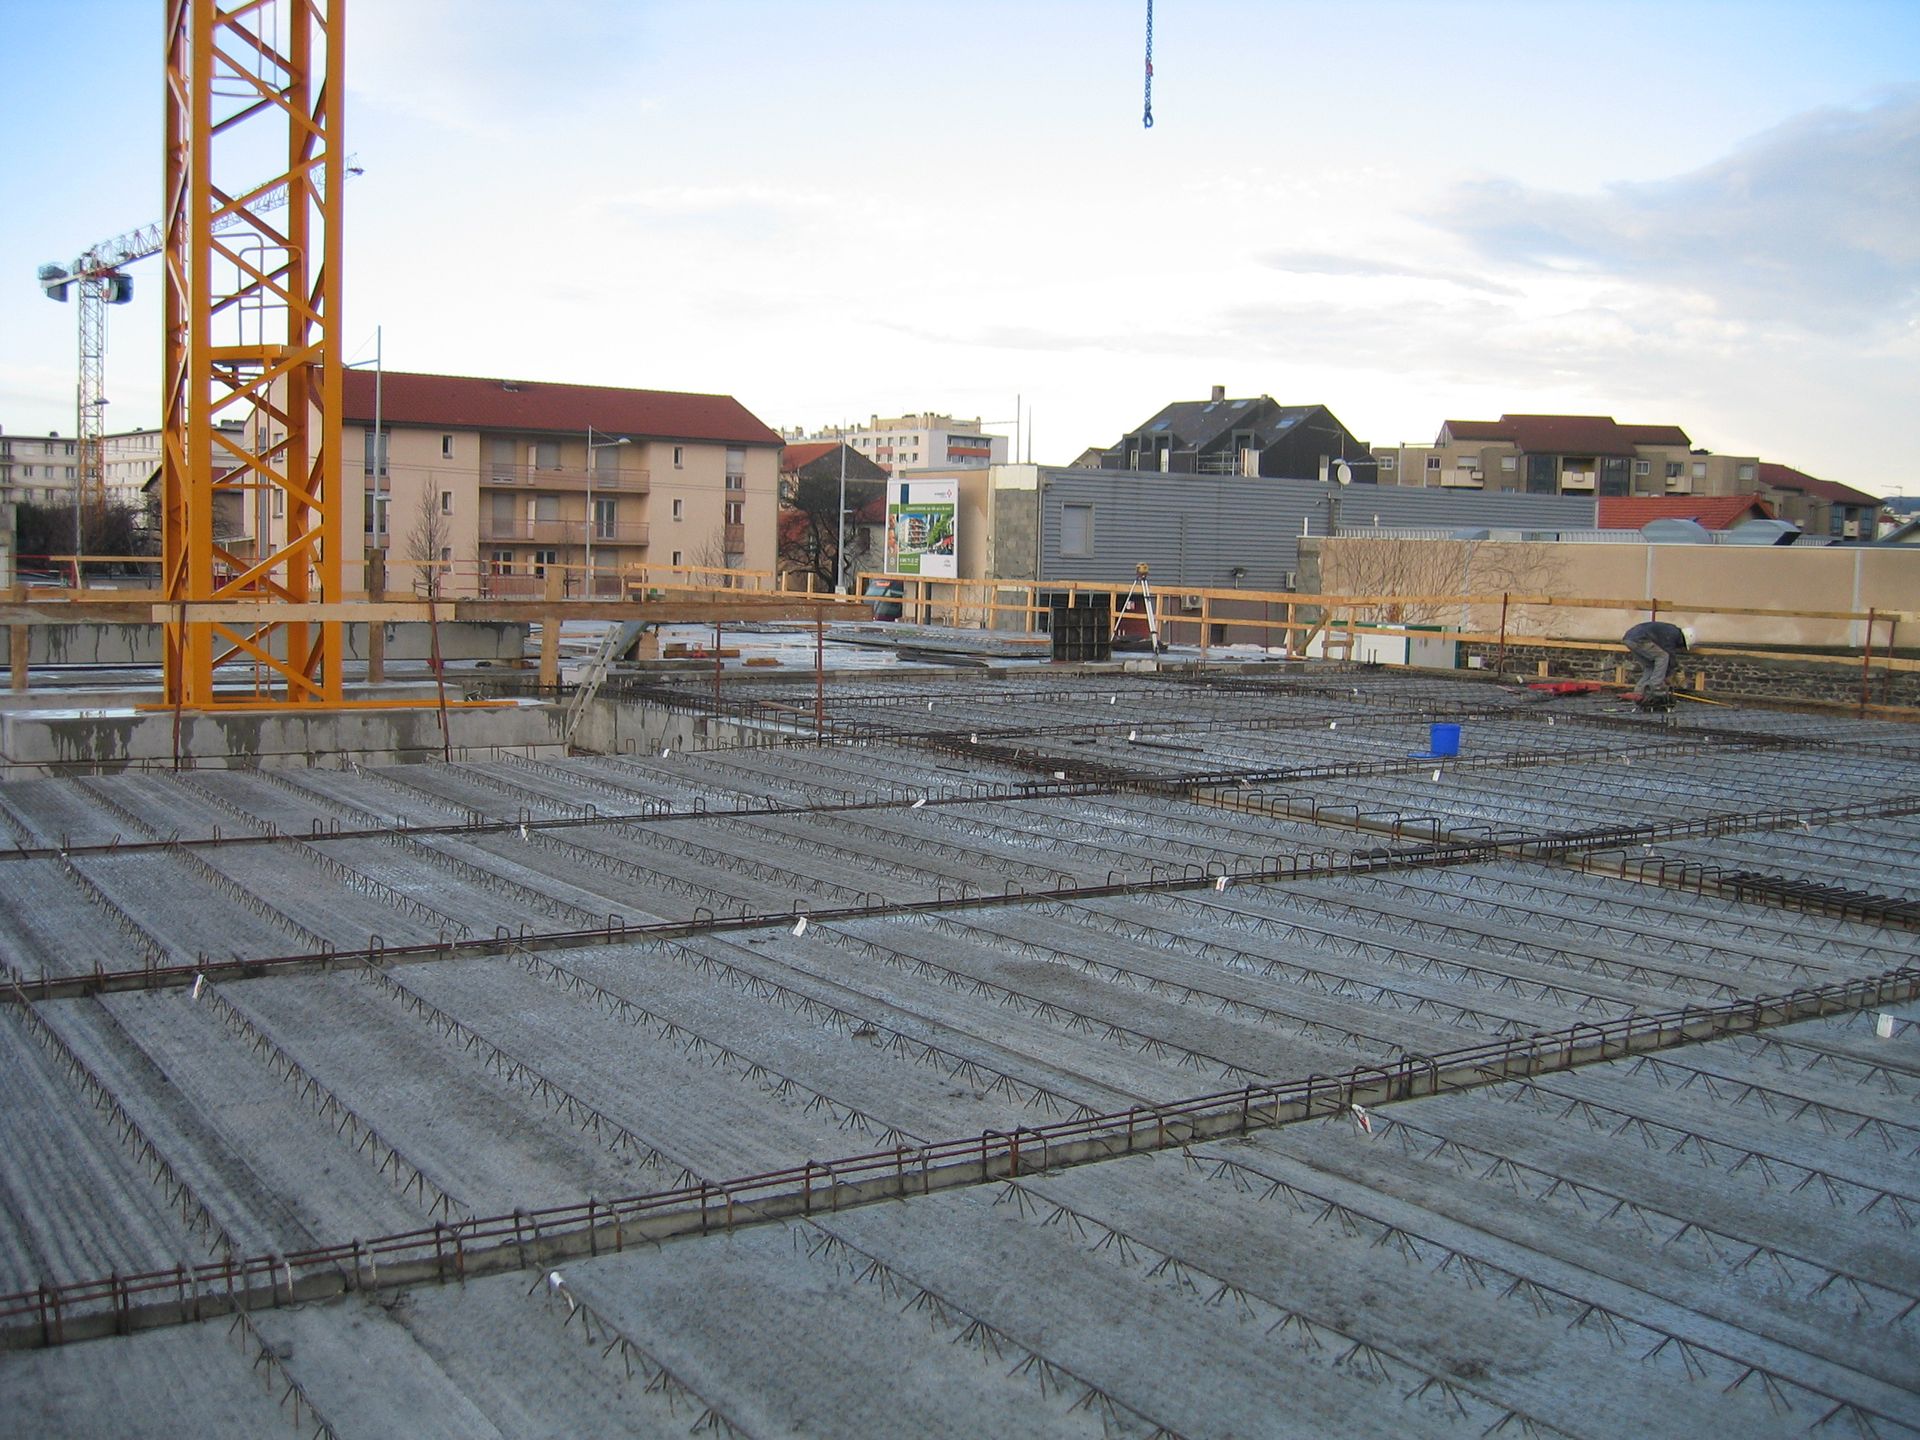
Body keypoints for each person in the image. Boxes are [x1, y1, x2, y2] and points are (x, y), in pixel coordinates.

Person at [1622, 620, 1694, 701]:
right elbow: (1669, 652)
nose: (1680, 648)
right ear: (1683, 639)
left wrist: (1670, 670)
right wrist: (1675, 669)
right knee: (1663, 656)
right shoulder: (1674, 633)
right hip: (1640, 639)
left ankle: (1639, 691)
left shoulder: (1669, 630)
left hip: (1629, 639)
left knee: (1651, 665)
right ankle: (1655, 686)